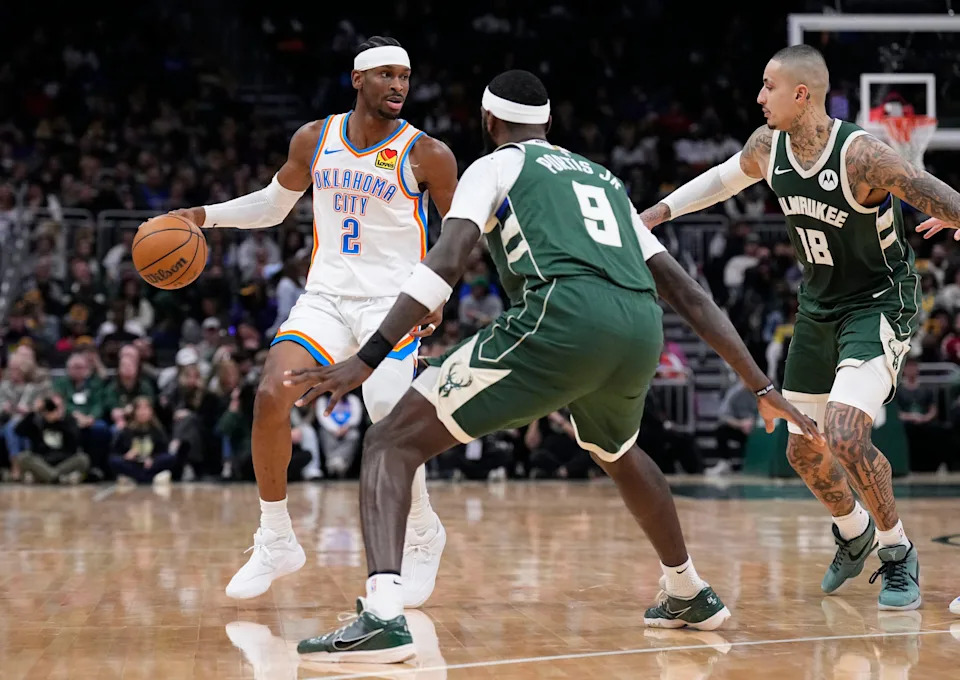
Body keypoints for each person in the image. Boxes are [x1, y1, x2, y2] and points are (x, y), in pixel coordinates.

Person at [284, 70, 820, 662]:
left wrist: (367, 356)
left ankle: (383, 616)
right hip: (639, 326)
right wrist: (760, 385)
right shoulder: (605, 179)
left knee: (389, 441)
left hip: (563, 316)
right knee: (617, 451)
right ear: (547, 124)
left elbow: (449, 257)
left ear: (490, 122)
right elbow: (689, 295)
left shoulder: (494, 166)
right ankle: (687, 589)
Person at [639, 45, 960, 611]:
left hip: (878, 304)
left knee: (844, 432)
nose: (759, 97)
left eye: (768, 86)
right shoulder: (769, 146)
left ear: (801, 94)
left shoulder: (863, 157)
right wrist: (660, 212)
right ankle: (855, 531)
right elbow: (722, 179)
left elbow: (929, 189)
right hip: (818, 308)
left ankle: (896, 551)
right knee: (803, 452)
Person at [171, 36, 459, 605]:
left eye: (405, 76)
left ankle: (423, 531)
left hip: (393, 301)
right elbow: (275, 205)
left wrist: (438, 291)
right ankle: (275, 538)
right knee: (271, 393)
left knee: (386, 415)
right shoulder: (314, 138)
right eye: (386, 75)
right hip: (326, 296)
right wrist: (203, 215)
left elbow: (459, 232)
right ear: (358, 80)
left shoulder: (429, 153)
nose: (399, 85)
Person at [15, 393, 89, 484]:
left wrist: (59, 422)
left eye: (58, 407)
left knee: (83, 458)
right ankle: (58, 478)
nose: (55, 410)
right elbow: (18, 431)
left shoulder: (69, 420)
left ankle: (46, 477)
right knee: (23, 457)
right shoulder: (38, 421)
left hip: (64, 462)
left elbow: (76, 440)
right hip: (42, 462)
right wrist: (33, 411)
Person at [108, 397, 175, 485]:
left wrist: (153, 459)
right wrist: (127, 456)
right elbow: (115, 452)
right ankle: (150, 478)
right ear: (134, 412)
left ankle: (135, 479)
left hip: (150, 464)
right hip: (133, 464)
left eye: (146, 409)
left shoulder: (157, 430)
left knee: (170, 458)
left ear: (151, 411)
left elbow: (163, 450)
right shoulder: (126, 430)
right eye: (139, 409)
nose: (143, 412)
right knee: (114, 461)